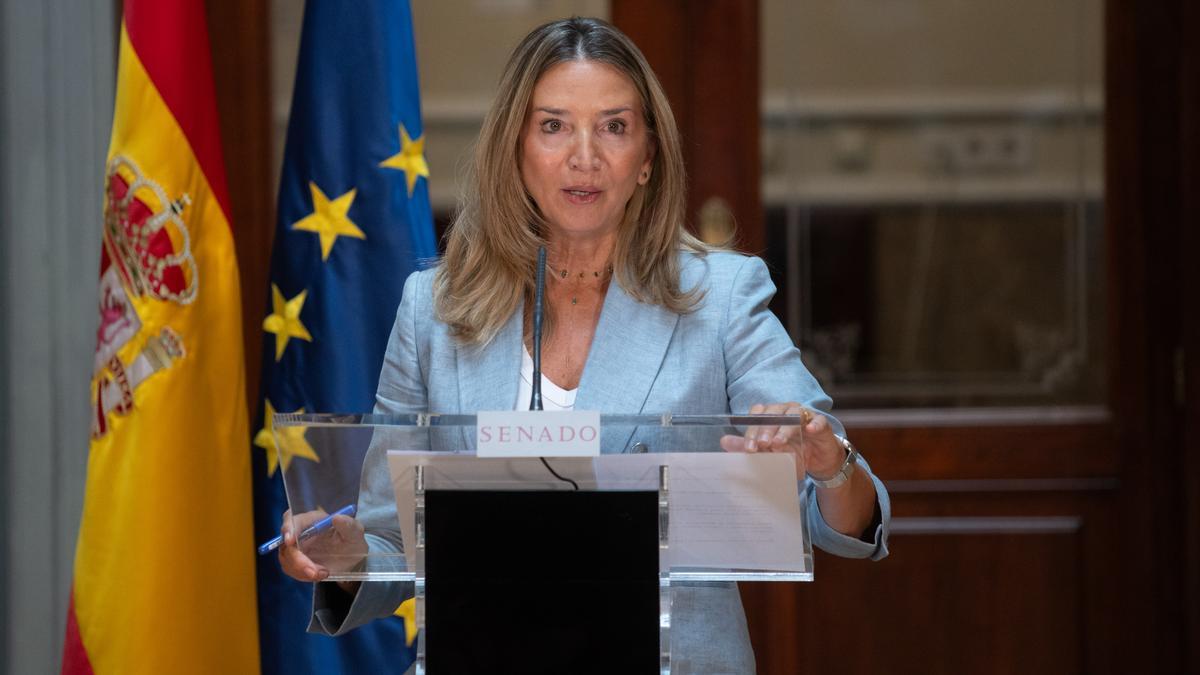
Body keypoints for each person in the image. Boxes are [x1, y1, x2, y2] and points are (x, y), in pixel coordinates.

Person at [278, 16, 890, 673]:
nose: (585, 156)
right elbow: (393, 540)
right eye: (554, 125)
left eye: (614, 126)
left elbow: (846, 522)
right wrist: (347, 556)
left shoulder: (722, 297)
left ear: (648, 157)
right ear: (515, 147)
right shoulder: (433, 307)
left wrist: (828, 462)